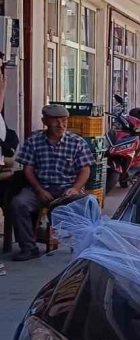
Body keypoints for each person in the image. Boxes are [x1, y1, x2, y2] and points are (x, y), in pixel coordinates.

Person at [11, 104, 95, 261]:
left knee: (88, 203)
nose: (61, 125)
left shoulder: (76, 142)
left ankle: (84, 248)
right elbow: (28, 169)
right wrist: (38, 189)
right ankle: (29, 248)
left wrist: (75, 188)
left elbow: (85, 170)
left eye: (64, 121)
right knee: (18, 203)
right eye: (55, 121)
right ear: (45, 122)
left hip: (67, 190)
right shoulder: (34, 141)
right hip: (40, 188)